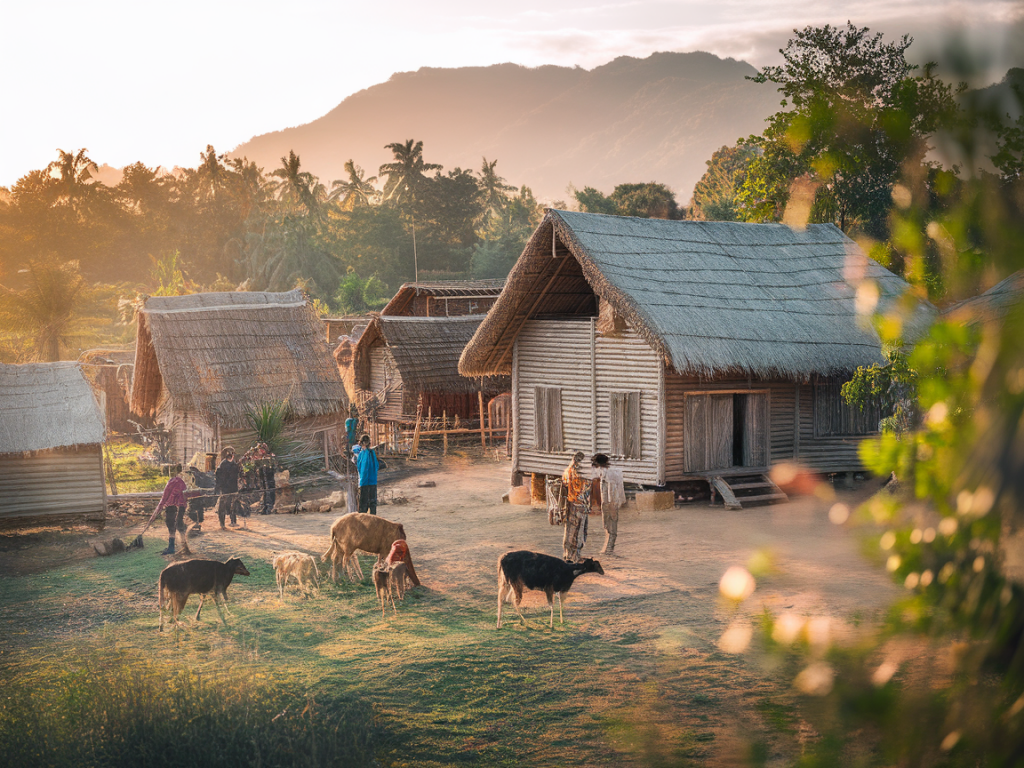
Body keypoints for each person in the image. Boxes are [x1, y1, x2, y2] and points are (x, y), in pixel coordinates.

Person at [149, 467, 203, 555]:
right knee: (179, 524)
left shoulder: (172, 482)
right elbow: (189, 494)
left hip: (171, 506)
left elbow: (164, 497)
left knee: (171, 526)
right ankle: (184, 546)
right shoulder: (185, 483)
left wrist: (158, 510)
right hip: (181, 506)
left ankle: (172, 547)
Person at [591, 453, 625, 554]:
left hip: (612, 502)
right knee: (606, 525)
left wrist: (619, 502)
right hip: (606, 502)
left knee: (612, 526)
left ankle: (609, 549)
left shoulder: (613, 473)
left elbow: (618, 489)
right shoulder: (603, 473)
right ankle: (607, 548)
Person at [561, 451, 590, 562]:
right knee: (579, 531)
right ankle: (575, 556)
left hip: (569, 504)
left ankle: (567, 554)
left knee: (569, 530)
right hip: (579, 505)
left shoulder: (567, 471)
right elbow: (583, 491)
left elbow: (564, 483)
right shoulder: (581, 473)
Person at [214, 446, 243, 529]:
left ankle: (233, 521)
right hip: (225, 489)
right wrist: (218, 488)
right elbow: (218, 478)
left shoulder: (235, 464)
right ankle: (222, 524)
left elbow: (238, 475)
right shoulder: (222, 465)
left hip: (233, 488)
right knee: (223, 506)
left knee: (234, 505)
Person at [352, 434, 380, 515]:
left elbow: (361, 468)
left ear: (361, 443)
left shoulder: (361, 454)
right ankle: (373, 523)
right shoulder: (372, 453)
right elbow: (376, 466)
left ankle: (362, 524)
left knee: (363, 506)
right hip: (372, 482)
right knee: (372, 504)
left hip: (364, 482)